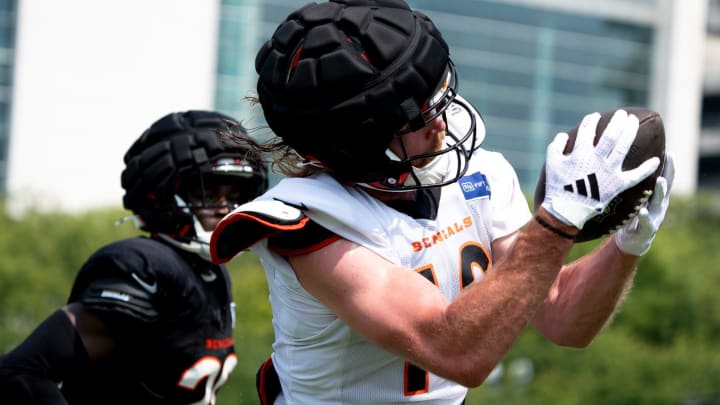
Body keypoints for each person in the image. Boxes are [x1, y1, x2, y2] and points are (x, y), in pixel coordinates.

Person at [210, 1, 674, 404]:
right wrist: (557, 220)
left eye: (436, 92)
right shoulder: (311, 220)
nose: (441, 120)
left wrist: (628, 243)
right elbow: (456, 351)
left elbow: (562, 317)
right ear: (357, 142)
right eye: (417, 113)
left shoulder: (481, 175)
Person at [0, 110, 268, 404]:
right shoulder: (146, 265)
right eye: (208, 191)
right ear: (163, 191)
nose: (224, 207)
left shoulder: (212, 272)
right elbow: (23, 371)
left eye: (233, 194)